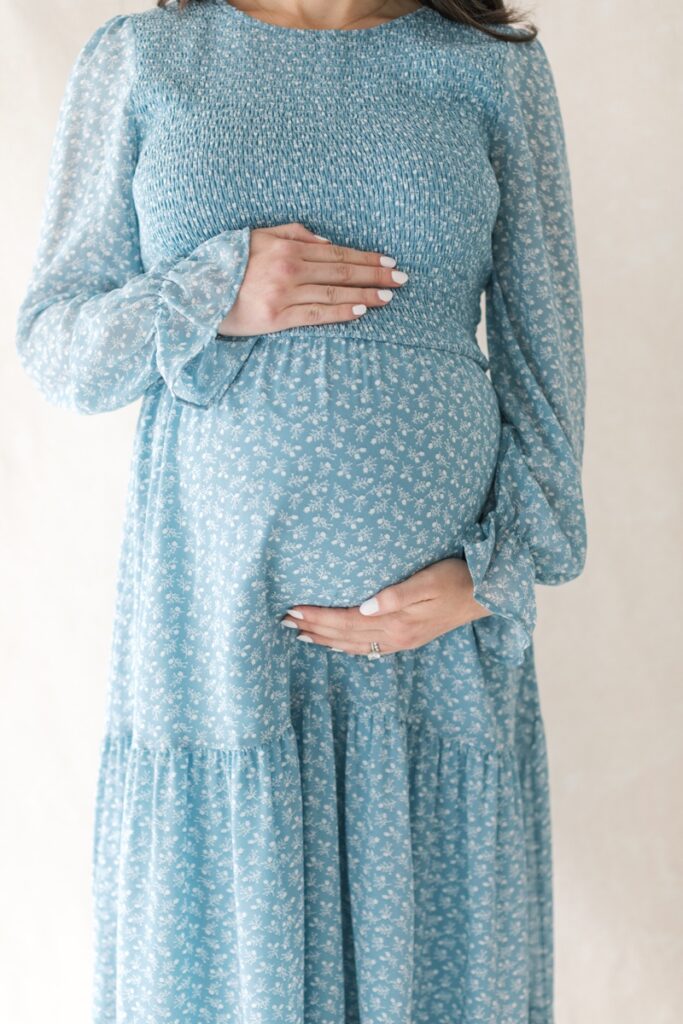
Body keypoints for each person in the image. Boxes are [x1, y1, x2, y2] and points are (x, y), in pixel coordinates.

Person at [15, 1, 587, 1021]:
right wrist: (209, 290)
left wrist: (486, 578)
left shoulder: (487, 71)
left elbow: (548, 374)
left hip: (431, 673)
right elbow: (57, 343)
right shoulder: (147, 61)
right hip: (215, 655)